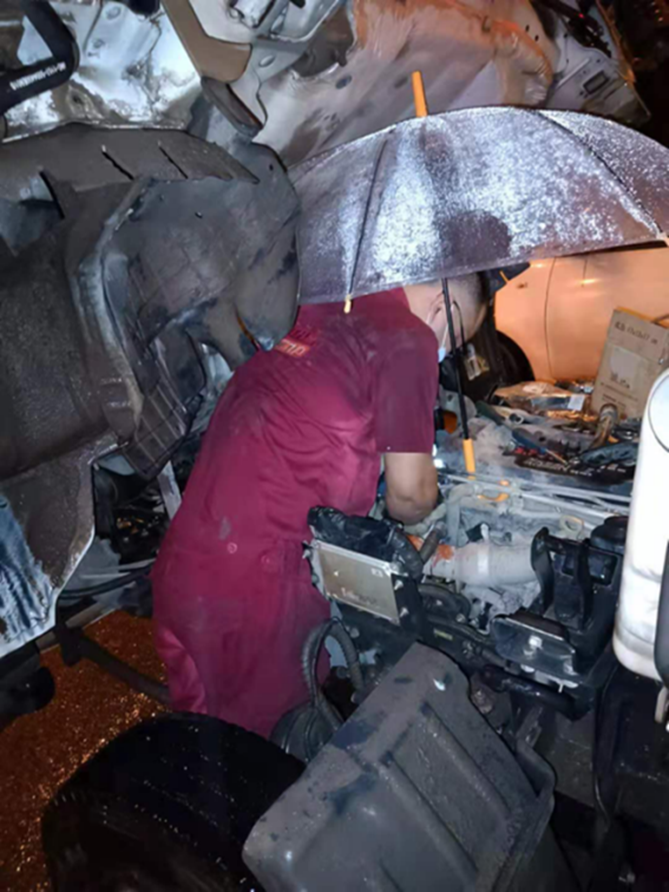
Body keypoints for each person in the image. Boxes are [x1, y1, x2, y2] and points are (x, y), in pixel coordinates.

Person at [152, 281, 449, 738]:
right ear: (442, 307)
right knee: (265, 757)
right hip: (258, 596)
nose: (443, 351)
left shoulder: (308, 307)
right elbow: (409, 497)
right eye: (453, 340)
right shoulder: (408, 336)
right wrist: (434, 500)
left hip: (190, 567)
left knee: (203, 744)